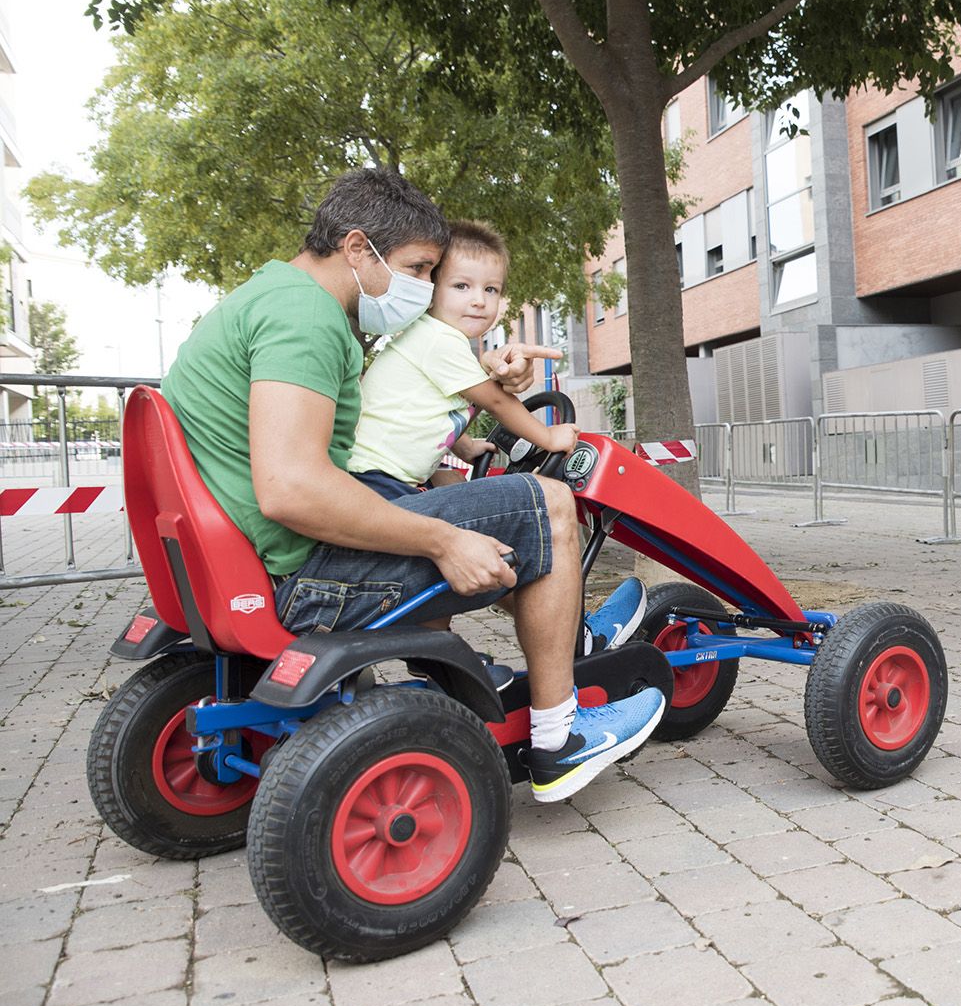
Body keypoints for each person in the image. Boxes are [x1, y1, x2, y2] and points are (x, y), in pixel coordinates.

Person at [160, 167, 663, 802]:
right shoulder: (305, 319)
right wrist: (440, 540)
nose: (424, 288)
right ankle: (559, 740)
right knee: (550, 504)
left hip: (243, 566)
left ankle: (538, 652)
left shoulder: (263, 298)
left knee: (479, 516)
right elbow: (291, 488)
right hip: (303, 577)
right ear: (356, 248)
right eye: (419, 268)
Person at [345, 218, 647, 660]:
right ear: (432, 288)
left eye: (491, 290)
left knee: (455, 556)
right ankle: (561, 644)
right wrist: (549, 435)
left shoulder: (426, 341)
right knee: (508, 540)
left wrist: (463, 446)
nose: (479, 301)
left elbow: (416, 411)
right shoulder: (440, 341)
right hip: (380, 482)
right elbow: (497, 402)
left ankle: (444, 664)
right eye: (462, 286)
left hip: (377, 478)